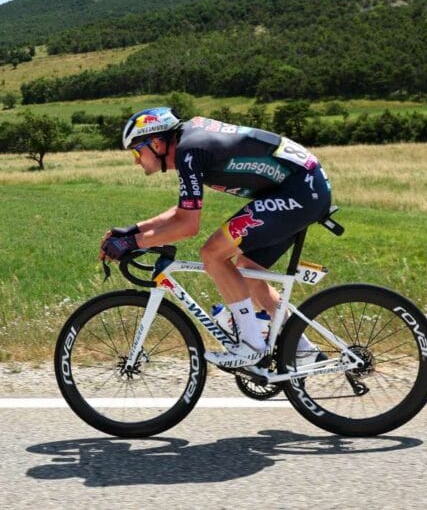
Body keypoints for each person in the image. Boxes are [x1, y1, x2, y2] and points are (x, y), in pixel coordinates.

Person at [99, 107, 331, 370]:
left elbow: (188, 226)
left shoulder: (189, 151)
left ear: (156, 143)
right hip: (302, 187)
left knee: (212, 254)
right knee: (248, 272)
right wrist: (132, 231)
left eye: (136, 151)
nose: (136, 161)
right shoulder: (189, 143)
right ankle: (301, 349)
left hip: (300, 191)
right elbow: (182, 212)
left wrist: (133, 243)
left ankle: (252, 346)